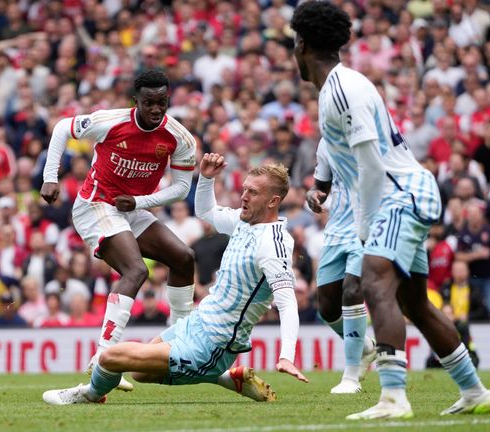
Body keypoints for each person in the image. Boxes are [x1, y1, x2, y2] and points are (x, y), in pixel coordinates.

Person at [292, 2, 490, 420]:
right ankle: (474, 391)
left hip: (398, 194)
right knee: (415, 303)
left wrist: (365, 225)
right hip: (406, 191)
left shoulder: (342, 90)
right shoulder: (338, 87)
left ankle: (393, 397)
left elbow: (370, 164)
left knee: (374, 282)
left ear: (301, 45)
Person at [42, 156, 308, 405]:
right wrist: (205, 178)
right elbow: (206, 212)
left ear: (273, 201)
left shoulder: (273, 244)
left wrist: (286, 354)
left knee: (110, 357)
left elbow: (287, 303)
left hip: (213, 343)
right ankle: (227, 378)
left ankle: (89, 394)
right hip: (197, 323)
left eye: (253, 192)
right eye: (245, 189)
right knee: (139, 373)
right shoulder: (243, 221)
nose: (244, 196)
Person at [40, 70, 198, 391]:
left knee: (183, 257)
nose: (156, 109)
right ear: (135, 101)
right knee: (136, 270)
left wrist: (141, 201)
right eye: (149, 103)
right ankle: (104, 355)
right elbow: (61, 128)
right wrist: (50, 177)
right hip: (95, 204)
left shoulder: (179, 138)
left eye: (162, 103)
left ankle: (178, 342)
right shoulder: (110, 121)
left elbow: (181, 188)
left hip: (132, 208)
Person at [306, 138, 376, 394]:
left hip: (369, 224)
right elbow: (321, 185)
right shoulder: (325, 142)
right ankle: (367, 347)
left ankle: (351, 376)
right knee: (326, 307)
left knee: (352, 289)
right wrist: (312, 194)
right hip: (336, 229)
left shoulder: (372, 134)